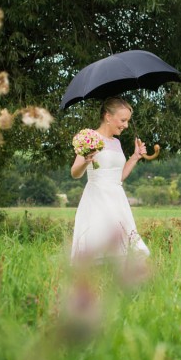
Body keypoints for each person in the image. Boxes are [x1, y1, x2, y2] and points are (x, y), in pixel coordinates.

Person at [69, 97, 151, 263]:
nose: (126, 125)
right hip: (97, 199)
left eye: (128, 121)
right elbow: (75, 173)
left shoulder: (117, 143)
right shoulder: (90, 138)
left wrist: (135, 157)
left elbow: (118, 177)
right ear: (108, 117)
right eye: (123, 120)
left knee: (120, 249)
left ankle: (117, 285)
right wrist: (86, 160)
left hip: (117, 199)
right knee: (98, 246)